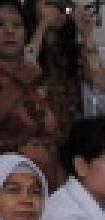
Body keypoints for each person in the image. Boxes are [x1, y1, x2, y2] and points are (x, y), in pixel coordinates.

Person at [0, 0, 60, 188]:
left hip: (46, 183)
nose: (9, 31)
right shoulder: (22, 78)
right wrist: (17, 84)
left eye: (17, 25)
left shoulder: (38, 74)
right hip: (7, 184)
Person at [28, 0, 105, 137]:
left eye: (63, 4)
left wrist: (87, 36)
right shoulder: (21, 43)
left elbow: (100, 85)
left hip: (71, 131)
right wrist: (42, 26)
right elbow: (26, 69)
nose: (58, 10)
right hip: (36, 134)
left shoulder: (70, 48)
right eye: (50, 3)